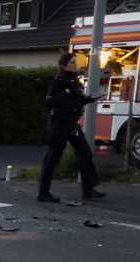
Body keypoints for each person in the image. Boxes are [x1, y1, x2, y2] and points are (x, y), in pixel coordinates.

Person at [37, 52, 105, 203]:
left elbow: (78, 100)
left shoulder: (76, 82)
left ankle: (88, 189)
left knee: (85, 153)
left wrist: (91, 98)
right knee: (52, 159)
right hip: (59, 126)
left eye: (75, 62)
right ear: (63, 66)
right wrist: (65, 93)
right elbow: (49, 102)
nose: (75, 65)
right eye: (72, 63)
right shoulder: (59, 83)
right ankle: (43, 193)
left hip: (71, 125)